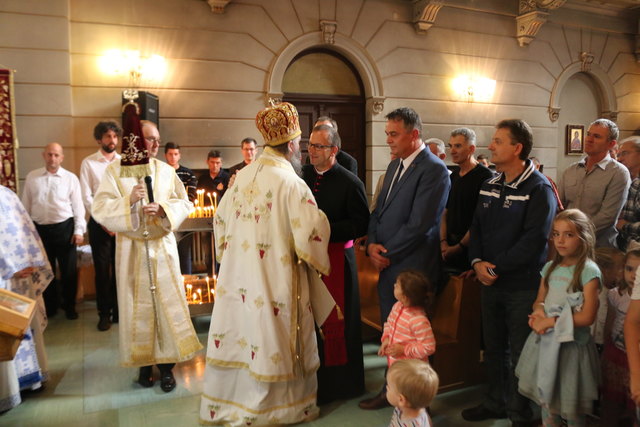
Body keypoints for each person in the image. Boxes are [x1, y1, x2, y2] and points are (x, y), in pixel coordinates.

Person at [199, 102, 332, 426]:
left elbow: (219, 220)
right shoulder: (291, 183)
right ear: (290, 144)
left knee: (244, 330)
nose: (300, 150)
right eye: (299, 144)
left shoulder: (242, 177)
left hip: (240, 276)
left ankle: (236, 400)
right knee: (272, 332)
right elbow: (311, 234)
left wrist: (232, 256)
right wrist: (323, 221)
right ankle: (280, 408)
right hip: (276, 278)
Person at [92, 119, 202, 393]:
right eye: (148, 139)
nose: (154, 145)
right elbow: (100, 207)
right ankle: (143, 366)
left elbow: (184, 202)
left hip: (162, 249)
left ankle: (167, 369)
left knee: (166, 307)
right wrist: (128, 201)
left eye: (156, 139)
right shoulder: (114, 172)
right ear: (134, 140)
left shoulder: (165, 170)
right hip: (131, 251)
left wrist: (164, 209)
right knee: (136, 309)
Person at [463, 119, 557, 426]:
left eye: (498, 141)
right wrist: (476, 261)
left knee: (520, 351)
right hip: (489, 279)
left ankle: (521, 413)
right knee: (493, 348)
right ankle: (495, 402)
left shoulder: (538, 188)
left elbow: (533, 241)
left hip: (521, 284)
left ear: (517, 148)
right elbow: (476, 227)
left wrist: (495, 266)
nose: (491, 146)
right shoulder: (489, 182)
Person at [366, 106, 449, 340]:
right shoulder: (394, 166)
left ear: (413, 135)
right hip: (388, 268)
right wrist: (372, 245)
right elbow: (378, 212)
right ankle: (392, 378)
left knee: (412, 341)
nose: (388, 140)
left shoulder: (434, 169)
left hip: (413, 270)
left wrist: (385, 252)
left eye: (394, 134)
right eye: (387, 133)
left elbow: (420, 224)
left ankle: (408, 379)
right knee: (390, 336)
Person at [302, 124, 369, 404]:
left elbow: (361, 223)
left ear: (334, 150)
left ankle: (343, 385)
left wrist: (325, 229)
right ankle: (315, 381)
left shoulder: (350, 182)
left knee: (340, 321)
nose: (312, 151)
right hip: (307, 259)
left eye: (319, 146)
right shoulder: (302, 176)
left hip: (338, 260)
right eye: (310, 145)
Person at [516, 209, 601, 427]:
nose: (560, 240)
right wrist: (538, 312)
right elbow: (540, 300)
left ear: (583, 238)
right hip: (546, 344)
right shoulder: (550, 267)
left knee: (572, 408)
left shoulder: (588, 271)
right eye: (556, 234)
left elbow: (587, 316)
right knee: (548, 402)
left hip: (572, 349)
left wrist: (550, 321)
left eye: (568, 235)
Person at [0, 185, 54, 413]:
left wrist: (32, 262)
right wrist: (8, 267)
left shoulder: (7, 194)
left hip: (21, 274)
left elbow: (27, 230)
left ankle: (31, 380)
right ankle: (7, 389)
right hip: (4, 276)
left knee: (24, 326)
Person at [22, 142, 85, 320]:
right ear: (44, 155)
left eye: (56, 155)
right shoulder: (32, 177)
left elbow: (78, 206)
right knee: (44, 271)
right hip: (39, 231)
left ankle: (70, 307)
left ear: (61, 157)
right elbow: (25, 207)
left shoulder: (71, 178)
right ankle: (50, 307)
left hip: (65, 229)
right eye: (49, 154)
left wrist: (79, 231)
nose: (53, 158)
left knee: (68, 271)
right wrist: (26, 235)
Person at [558, 118, 630, 248]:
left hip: (598, 247)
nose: (589, 139)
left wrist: (575, 234)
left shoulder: (618, 173)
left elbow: (607, 217)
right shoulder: (571, 170)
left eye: (596, 136)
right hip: (566, 245)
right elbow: (559, 205)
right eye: (588, 134)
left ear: (611, 144)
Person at [79, 121, 122, 331]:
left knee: (120, 269)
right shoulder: (88, 163)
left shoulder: (124, 162)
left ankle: (118, 311)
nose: (112, 140)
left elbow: (126, 193)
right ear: (99, 139)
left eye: (114, 137)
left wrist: (117, 220)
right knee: (102, 272)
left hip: (120, 222)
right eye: (107, 137)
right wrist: (104, 221)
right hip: (99, 223)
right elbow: (86, 196)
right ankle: (103, 314)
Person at [440, 128, 493, 274]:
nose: (452, 151)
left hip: (471, 250)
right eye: (450, 146)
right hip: (448, 245)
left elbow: (481, 219)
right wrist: (443, 242)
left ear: (471, 149)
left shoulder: (485, 177)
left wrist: (458, 247)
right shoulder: (453, 176)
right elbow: (445, 211)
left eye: (458, 146)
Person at [601, 244, 640, 426]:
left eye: (638, 270)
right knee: (612, 398)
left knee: (633, 401)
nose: (633, 275)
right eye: (629, 269)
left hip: (635, 355)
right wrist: (606, 347)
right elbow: (610, 322)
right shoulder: (616, 295)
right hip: (616, 352)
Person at [164, 141, 197, 274]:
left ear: (180, 155)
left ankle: (186, 280)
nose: (173, 157)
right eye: (170, 154)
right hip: (165, 216)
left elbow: (191, 197)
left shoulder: (188, 174)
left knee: (184, 251)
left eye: (175, 154)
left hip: (184, 217)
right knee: (167, 253)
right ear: (165, 155)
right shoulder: (161, 173)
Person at [386, 359, 439, 427]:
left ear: (401, 399)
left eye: (388, 387)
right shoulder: (419, 407)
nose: (386, 387)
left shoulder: (411, 425)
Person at [616, 136, 640, 250]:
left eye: (625, 153)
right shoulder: (623, 180)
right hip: (624, 248)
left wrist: (624, 226)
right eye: (618, 154)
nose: (619, 159)